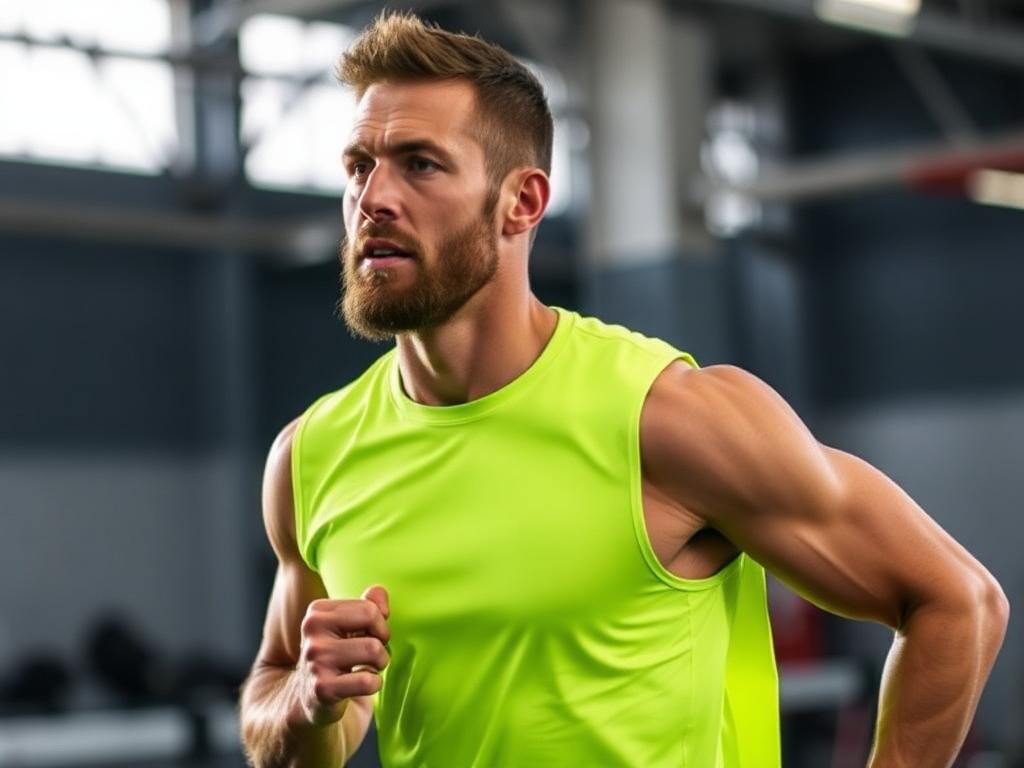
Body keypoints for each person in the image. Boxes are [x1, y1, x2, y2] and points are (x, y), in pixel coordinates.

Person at [238, 12, 1008, 768]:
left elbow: (958, 603)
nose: (372, 197)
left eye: (420, 163)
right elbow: (284, 716)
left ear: (524, 202)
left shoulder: (668, 420)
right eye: (358, 165)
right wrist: (309, 702)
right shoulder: (311, 457)